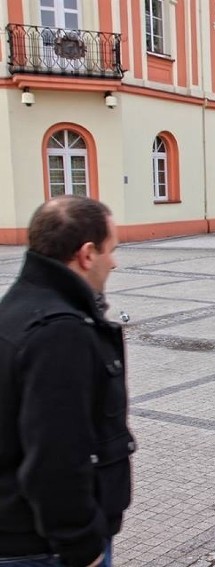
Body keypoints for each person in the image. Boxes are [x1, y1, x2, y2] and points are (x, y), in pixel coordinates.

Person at [0, 195, 134, 567]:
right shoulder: (60, 333)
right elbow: (55, 456)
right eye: (112, 250)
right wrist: (82, 546)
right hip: (45, 550)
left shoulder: (15, 309)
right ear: (87, 253)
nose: (115, 262)